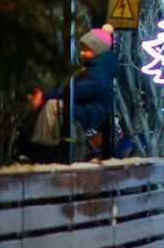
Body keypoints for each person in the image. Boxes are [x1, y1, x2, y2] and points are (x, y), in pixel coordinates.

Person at [23, 24, 119, 162]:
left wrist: (44, 95)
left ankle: (42, 146)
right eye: (82, 49)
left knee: (53, 105)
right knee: (54, 105)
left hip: (91, 112)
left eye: (87, 50)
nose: (82, 53)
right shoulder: (95, 70)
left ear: (97, 51)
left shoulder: (99, 73)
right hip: (86, 108)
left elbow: (77, 91)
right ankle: (45, 144)